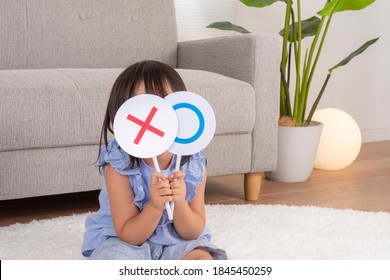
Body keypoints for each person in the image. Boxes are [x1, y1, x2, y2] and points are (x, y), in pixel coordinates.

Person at [81, 60, 227, 260]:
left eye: (165, 103)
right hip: (126, 242)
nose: (156, 115)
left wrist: (180, 203)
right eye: (144, 106)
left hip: (178, 241)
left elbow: (192, 232)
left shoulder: (193, 164)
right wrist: (155, 206)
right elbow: (128, 234)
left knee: (202, 260)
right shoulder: (118, 164)